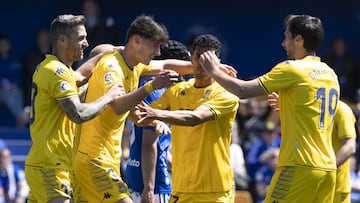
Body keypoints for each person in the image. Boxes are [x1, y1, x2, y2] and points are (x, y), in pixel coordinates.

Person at [199, 14, 340, 202]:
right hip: (328, 170)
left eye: (287, 36)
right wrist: (287, 106)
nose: (283, 43)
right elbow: (312, 110)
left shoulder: (292, 68)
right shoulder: (330, 74)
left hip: (298, 166)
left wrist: (213, 70)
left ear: (298, 40)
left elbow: (242, 90)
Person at [73, 14, 194, 203]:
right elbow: (118, 106)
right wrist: (151, 87)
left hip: (108, 159)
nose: (158, 52)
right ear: (137, 41)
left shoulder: (134, 67)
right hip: (94, 159)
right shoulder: (112, 67)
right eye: (154, 45)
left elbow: (166, 64)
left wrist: (207, 68)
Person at [25, 14, 124, 203]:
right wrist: (108, 97)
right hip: (50, 166)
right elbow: (78, 114)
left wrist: (105, 54)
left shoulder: (59, 70)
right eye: (81, 38)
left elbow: (80, 77)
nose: (86, 43)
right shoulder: (56, 71)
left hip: (53, 165)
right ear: (62, 39)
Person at [136, 34, 239, 202]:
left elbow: (195, 118)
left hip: (214, 191)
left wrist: (158, 115)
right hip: (181, 189)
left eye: (208, 57)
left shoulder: (226, 92)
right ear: (191, 58)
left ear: (217, 62)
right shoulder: (177, 91)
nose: (202, 62)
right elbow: (141, 114)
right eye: (199, 56)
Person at [125, 40, 190, 203]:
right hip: (153, 180)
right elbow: (149, 144)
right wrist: (150, 187)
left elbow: (155, 142)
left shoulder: (144, 87)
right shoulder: (158, 92)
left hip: (135, 172)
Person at [268, 93, 357, 203]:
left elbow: (350, 146)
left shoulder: (342, 110)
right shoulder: (312, 107)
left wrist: (327, 167)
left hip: (337, 187)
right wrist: (287, 106)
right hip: (311, 183)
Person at [0, 35, 28, 128]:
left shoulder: (14, 60)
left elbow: (19, 77)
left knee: (14, 95)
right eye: (1, 45)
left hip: (12, 90)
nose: (3, 47)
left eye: (5, 44)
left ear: (9, 45)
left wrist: (12, 85)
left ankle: (21, 124)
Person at [322, 37, 360, 103]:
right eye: (337, 46)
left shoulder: (352, 61)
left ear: (345, 47)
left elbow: (357, 81)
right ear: (333, 47)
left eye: (342, 46)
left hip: (350, 96)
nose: (339, 48)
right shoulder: (325, 61)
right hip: (330, 95)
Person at [22, 28, 51, 107]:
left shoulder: (57, 55)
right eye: (42, 38)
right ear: (37, 39)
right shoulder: (31, 56)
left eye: (46, 38)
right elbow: (32, 72)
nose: (44, 40)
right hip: (36, 90)